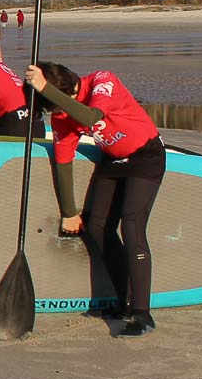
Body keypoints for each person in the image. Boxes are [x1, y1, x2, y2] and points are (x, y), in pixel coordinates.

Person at [25, 60, 165, 338]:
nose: (53, 111)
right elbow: (63, 161)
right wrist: (68, 212)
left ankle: (142, 314)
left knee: (131, 225)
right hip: (113, 160)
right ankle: (121, 302)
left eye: (50, 103)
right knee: (97, 226)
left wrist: (43, 87)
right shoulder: (61, 117)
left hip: (146, 156)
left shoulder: (102, 80)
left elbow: (91, 117)